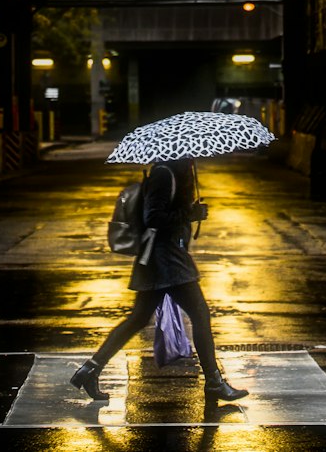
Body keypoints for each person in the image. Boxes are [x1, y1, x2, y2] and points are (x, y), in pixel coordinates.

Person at [70, 157, 248, 404]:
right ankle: (214, 382)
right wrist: (190, 213)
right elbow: (153, 217)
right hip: (166, 260)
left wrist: (190, 214)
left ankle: (90, 370)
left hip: (162, 260)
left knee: (138, 319)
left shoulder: (172, 172)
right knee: (199, 314)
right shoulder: (165, 174)